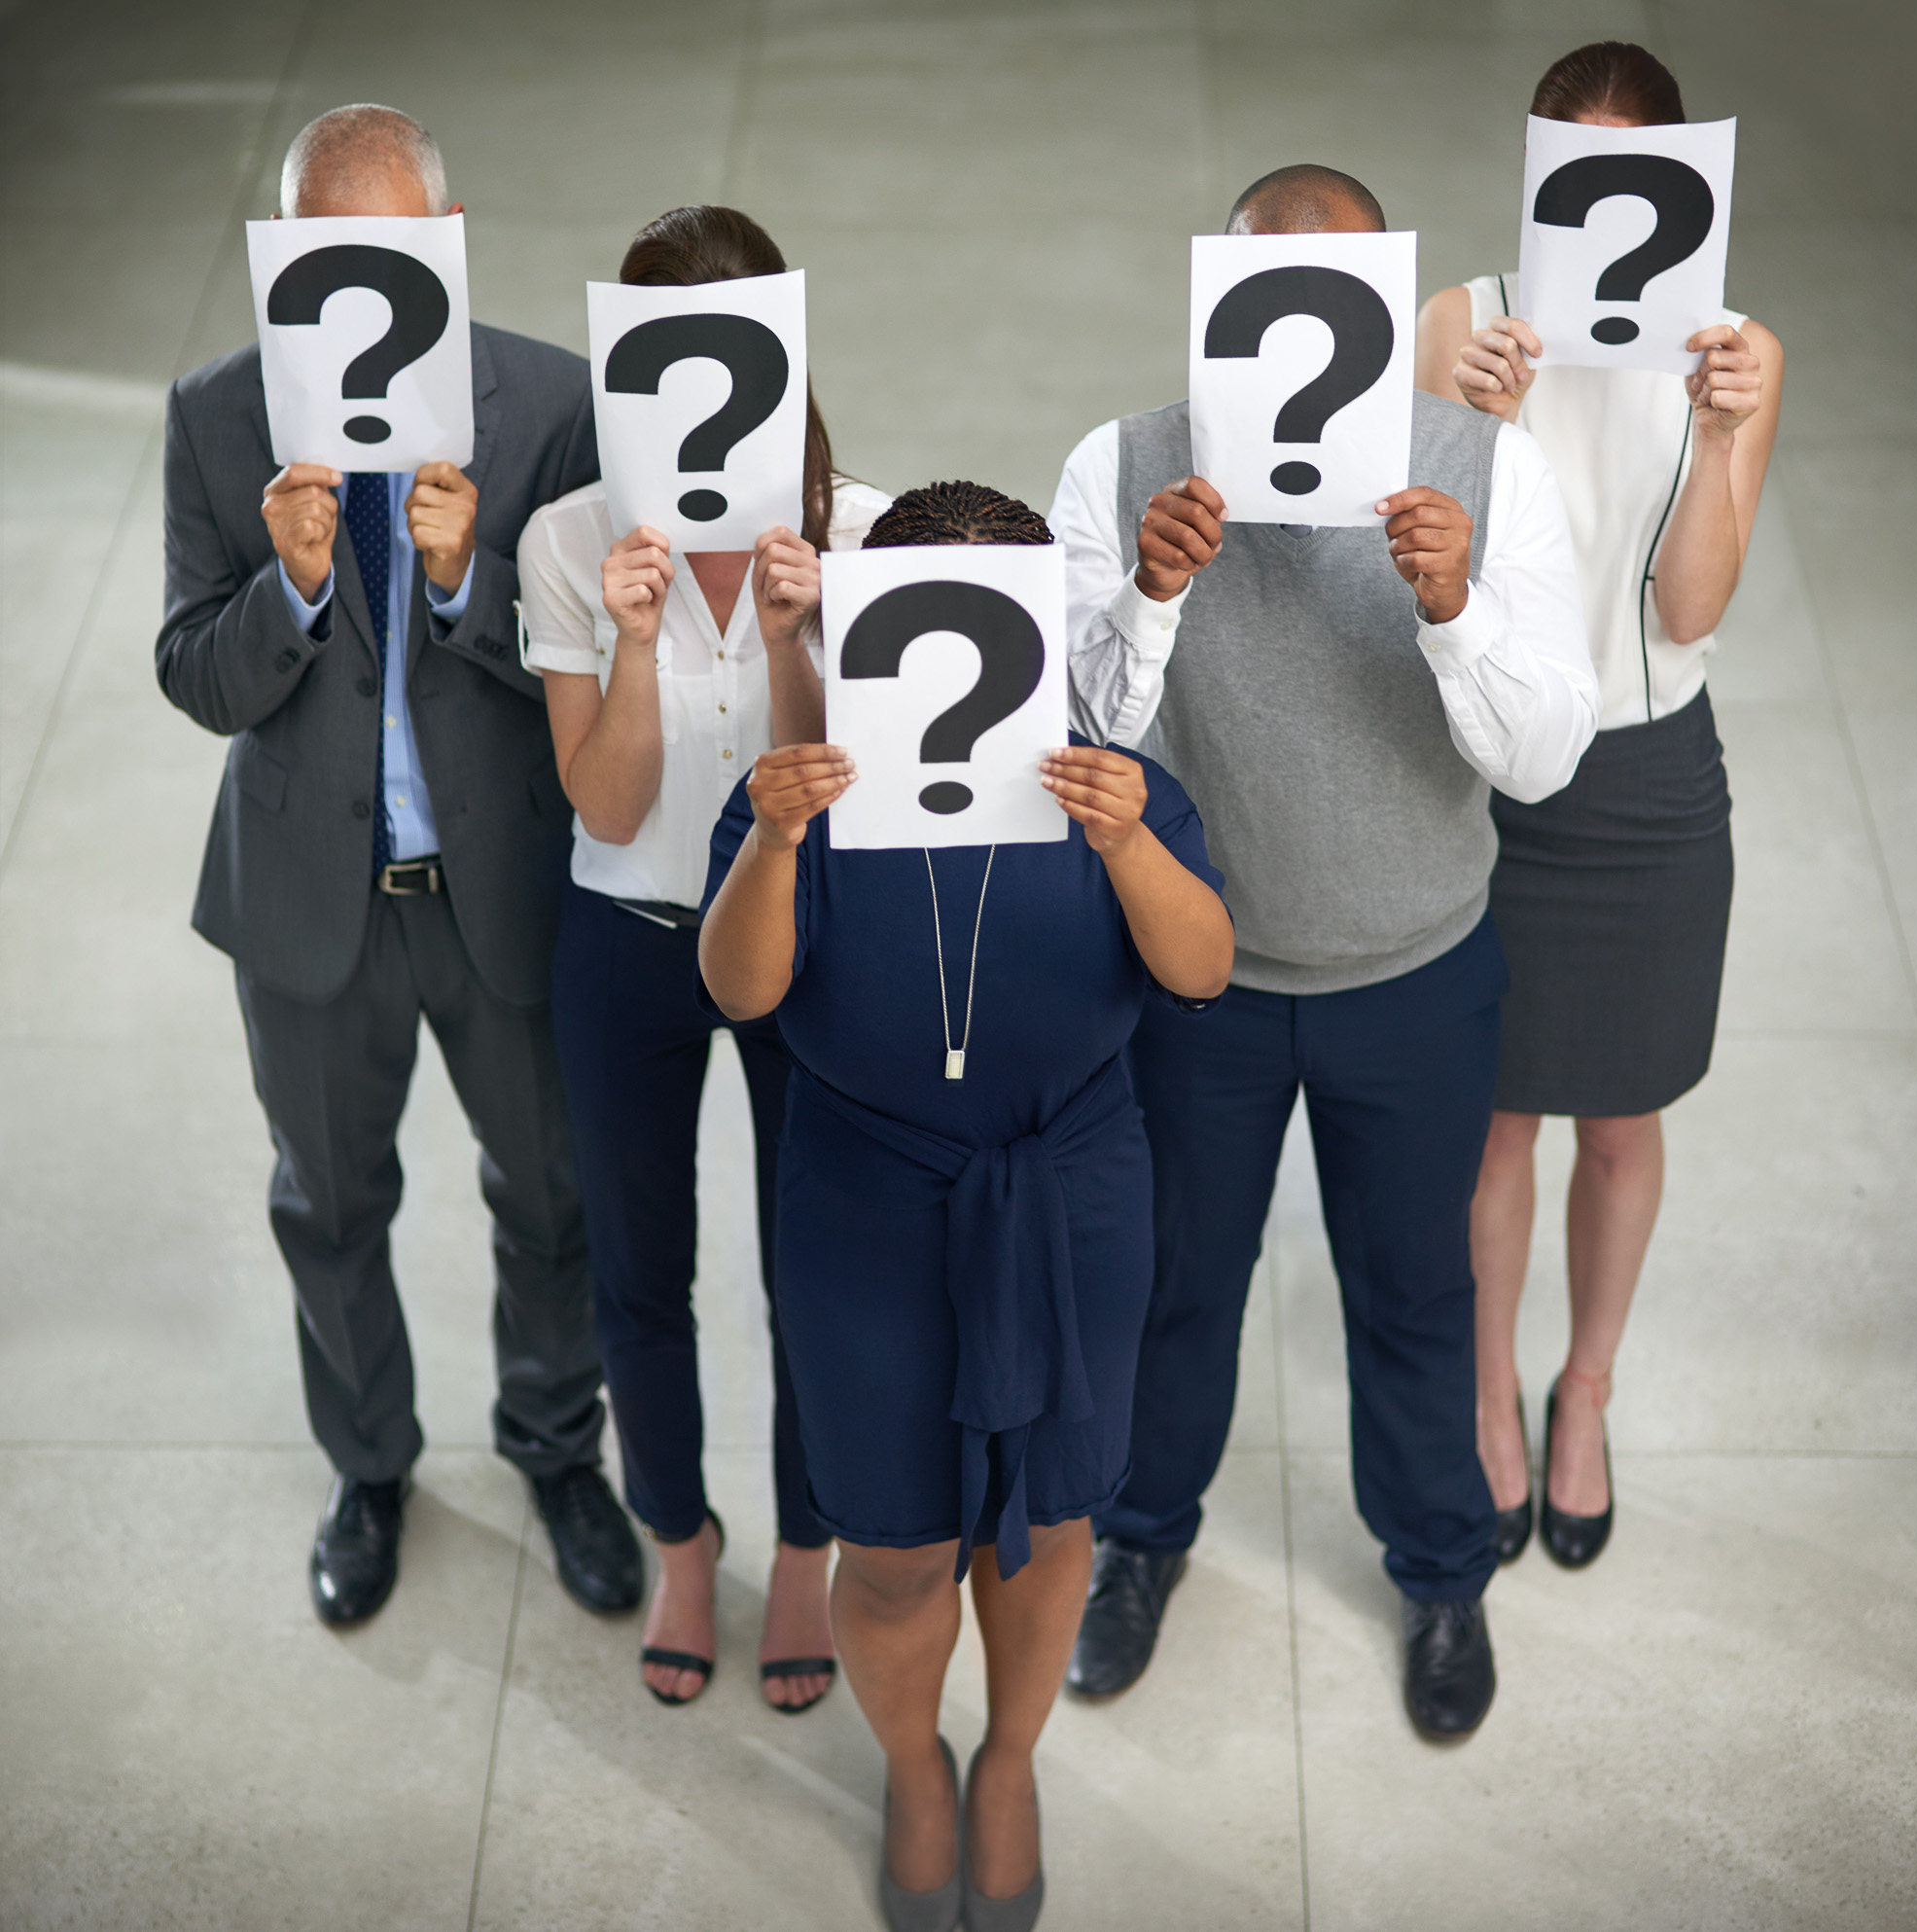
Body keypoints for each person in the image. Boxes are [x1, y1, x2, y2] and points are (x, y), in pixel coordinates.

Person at [1052, 163, 1600, 1739]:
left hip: (1416, 972)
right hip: (1199, 979)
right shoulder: (1124, 464)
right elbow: (1086, 740)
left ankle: (1439, 1569)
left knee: (1418, 1289)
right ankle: (1142, 1543)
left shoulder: (1487, 470)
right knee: (1172, 1288)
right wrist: (1153, 591)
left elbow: (1547, 754)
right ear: (1219, 295)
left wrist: (1453, 608)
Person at [697, 481, 1232, 1930]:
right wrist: (769, 843)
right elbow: (738, 987)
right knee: (896, 1538)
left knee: (1054, 1513)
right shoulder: (809, 785)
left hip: (1071, 1191)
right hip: (866, 1205)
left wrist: (1128, 843)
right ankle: (911, 1761)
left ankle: (1008, 1755)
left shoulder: (1101, 775)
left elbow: (1201, 966)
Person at [157, 105, 640, 1627]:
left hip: (500, 892)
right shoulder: (219, 415)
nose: (355, 274)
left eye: (387, 243)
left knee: (553, 1195)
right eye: (322, 246)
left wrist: (462, 579)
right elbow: (194, 673)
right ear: (285, 248)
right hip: (309, 911)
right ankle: (370, 1468)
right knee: (329, 1200)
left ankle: (559, 1448)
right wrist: (288, 591)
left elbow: (599, 652)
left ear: (445, 235)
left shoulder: (551, 403)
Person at [517, 204, 891, 1713]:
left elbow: (843, 794)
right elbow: (606, 803)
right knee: (635, 1264)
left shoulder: (858, 533)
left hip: (802, 932)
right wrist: (625, 637)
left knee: (815, 1268)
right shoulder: (569, 539)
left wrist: (805, 635)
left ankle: (805, 1544)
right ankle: (681, 1531)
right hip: (625, 931)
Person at [1414, 42, 1783, 1569]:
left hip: (1644, 773)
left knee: (1621, 1120)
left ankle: (1587, 1390)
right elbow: (1408, 565)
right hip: (1491, 762)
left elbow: (1691, 606)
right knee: (1495, 1123)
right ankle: (1492, 1395)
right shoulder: (1462, 320)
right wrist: (1461, 416)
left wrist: (1719, 432)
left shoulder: (1737, 350)